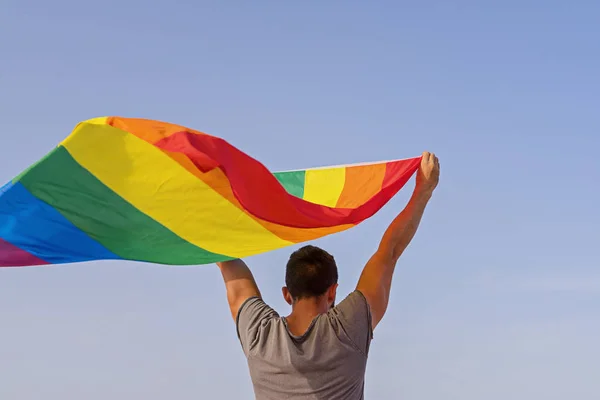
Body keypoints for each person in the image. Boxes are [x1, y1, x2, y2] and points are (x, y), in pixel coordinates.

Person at [217, 151, 440, 399]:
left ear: (287, 294)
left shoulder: (260, 335)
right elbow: (389, 252)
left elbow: (229, 266)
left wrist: (204, 219)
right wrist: (423, 190)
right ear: (332, 291)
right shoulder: (348, 329)